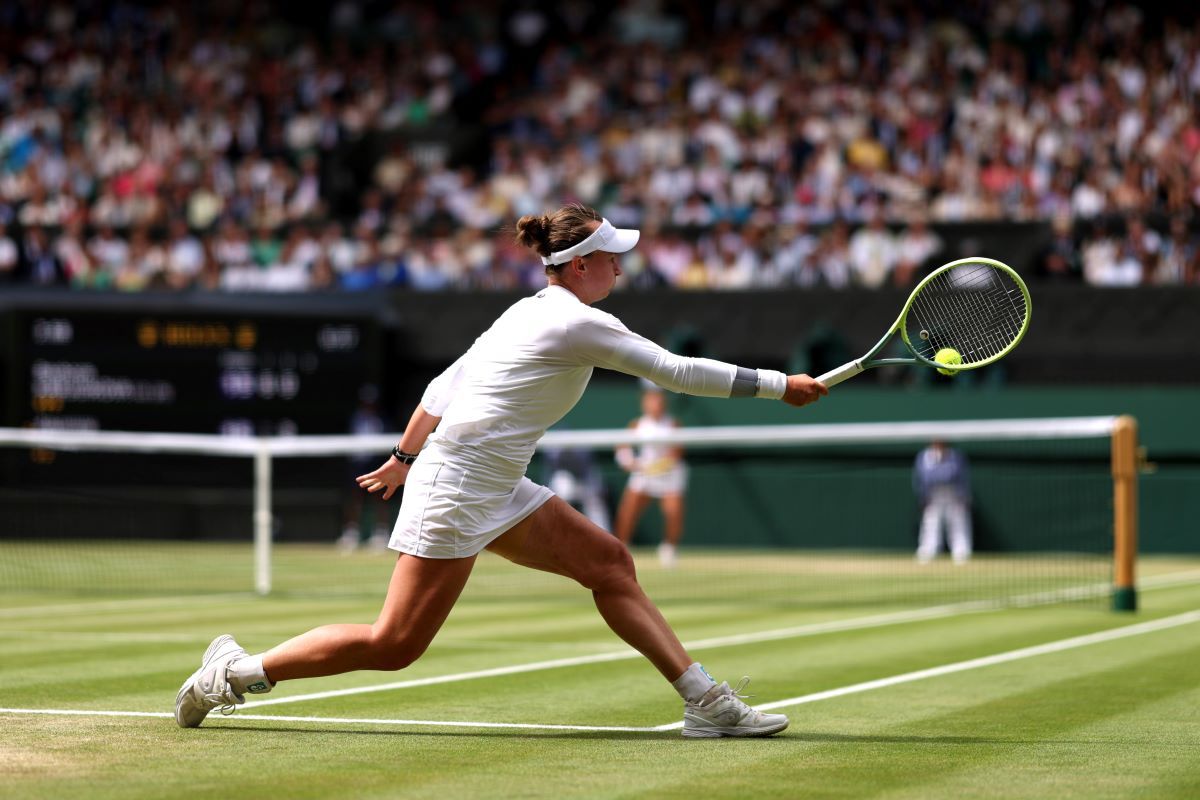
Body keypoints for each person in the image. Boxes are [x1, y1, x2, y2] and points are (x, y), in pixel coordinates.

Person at [174, 202, 827, 738]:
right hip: (459, 485)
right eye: (611, 258)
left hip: (494, 482)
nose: (621, 269)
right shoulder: (572, 323)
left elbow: (440, 385)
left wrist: (404, 458)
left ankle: (704, 702)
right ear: (579, 265)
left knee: (608, 564)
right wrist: (780, 384)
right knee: (395, 644)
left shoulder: (528, 311)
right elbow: (677, 372)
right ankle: (233, 673)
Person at [614, 384, 688, 568]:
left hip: (669, 476)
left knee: (673, 513)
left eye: (659, 399)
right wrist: (629, 462)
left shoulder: (673, 424)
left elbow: (676, 453)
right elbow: (622, 448)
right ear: (644, 403)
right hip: (643, 475)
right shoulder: (637, 424)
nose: (656, 403)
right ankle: (621, 549)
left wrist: (661, 466)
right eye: (651, 399)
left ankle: (669, 549)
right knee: (627, 513)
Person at [336, 384, 394, 553]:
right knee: (355, 498)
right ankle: (351, 534)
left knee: (380, 496)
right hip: (357, 463)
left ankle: (381, 534)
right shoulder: (353, 418)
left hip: (376, 462)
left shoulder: (383, 419)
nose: (369, 405)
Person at [913, 440, 972, 564]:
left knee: (958, 523)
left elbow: (957, 475)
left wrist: (964, 496)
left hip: (953, 495)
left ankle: (961, 552)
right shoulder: (924, 456)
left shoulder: (955, 456)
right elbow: (924, 476)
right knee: (930, 524)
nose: (938, 444)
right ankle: (928, 551)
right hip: (933, 496)